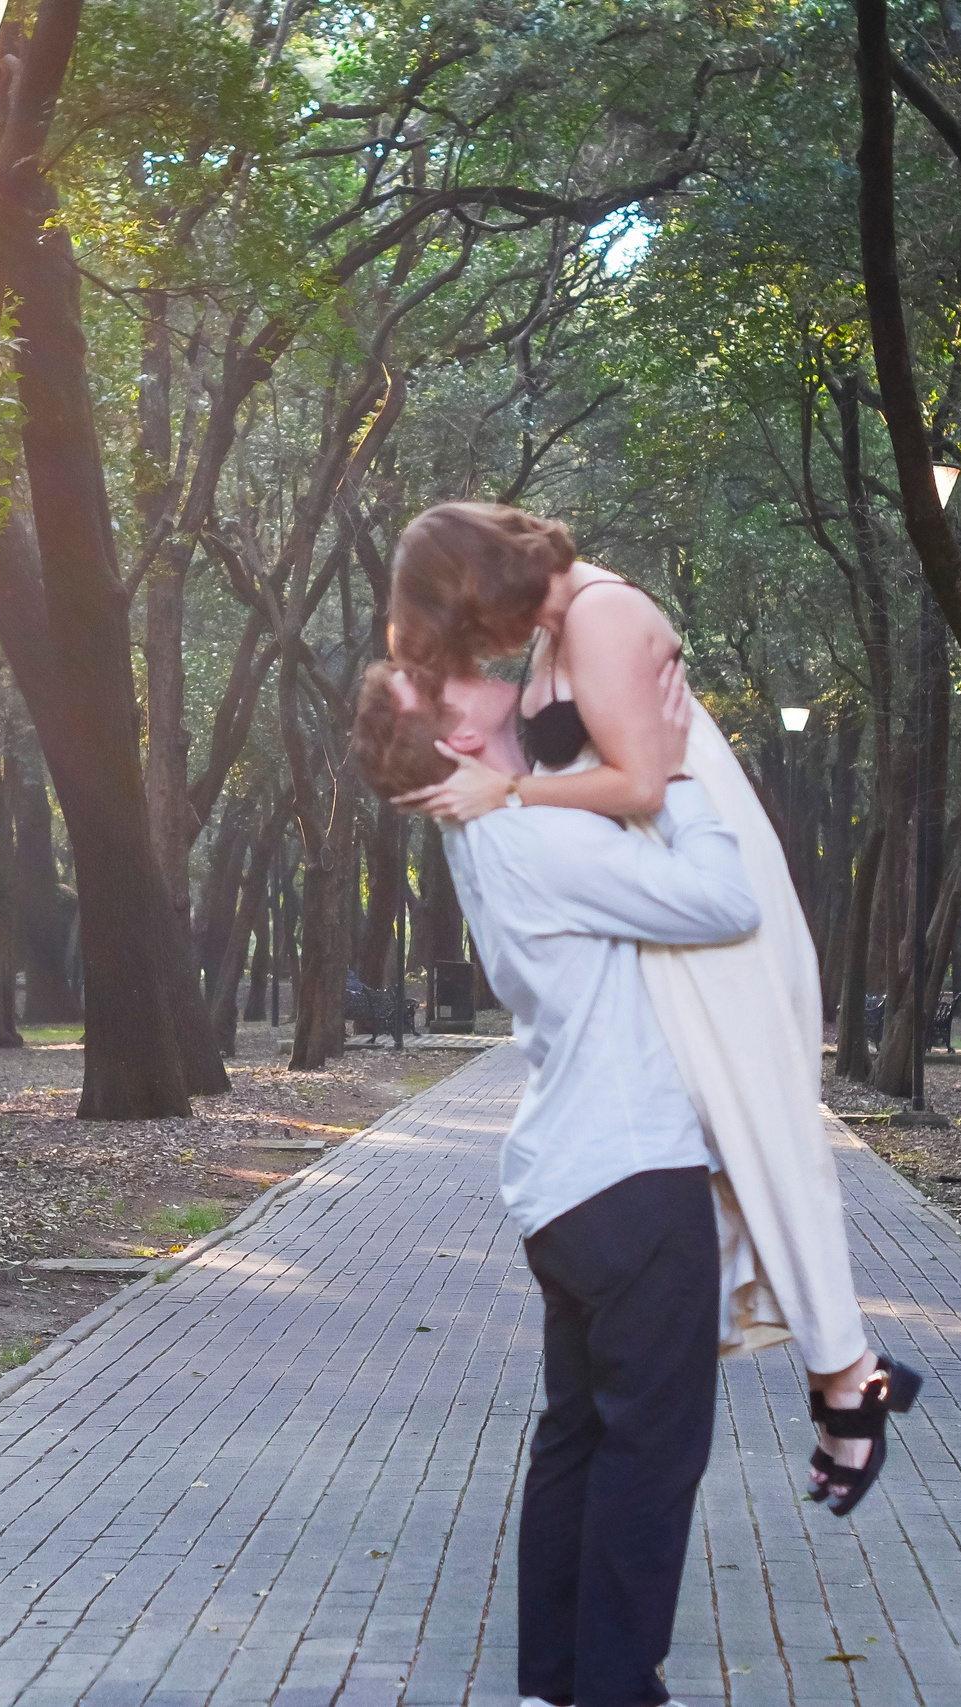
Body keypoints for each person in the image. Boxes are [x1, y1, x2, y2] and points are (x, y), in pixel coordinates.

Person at [385, 500, 916, 1513]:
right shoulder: (558, 631)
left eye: (457, 617)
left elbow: (641, 783)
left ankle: (850, 1378)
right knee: (724, 1155)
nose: (474, 648)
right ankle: (843, 1379)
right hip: (668, 909)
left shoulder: (601, 611)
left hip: (719, 911)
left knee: (762, 1139)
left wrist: (502, 798)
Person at [351, 655, 749, 1707]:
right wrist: (682, 780)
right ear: (456, 741)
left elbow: (556, 747)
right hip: (631, 1175)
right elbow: (723, 900)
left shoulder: (484, 828)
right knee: (649, 1458)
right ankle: (613, 1690)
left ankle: (555, 1687)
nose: (471, 666)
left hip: (568, 1188)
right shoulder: (533, 833)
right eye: (444, 679)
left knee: (579, 1439)